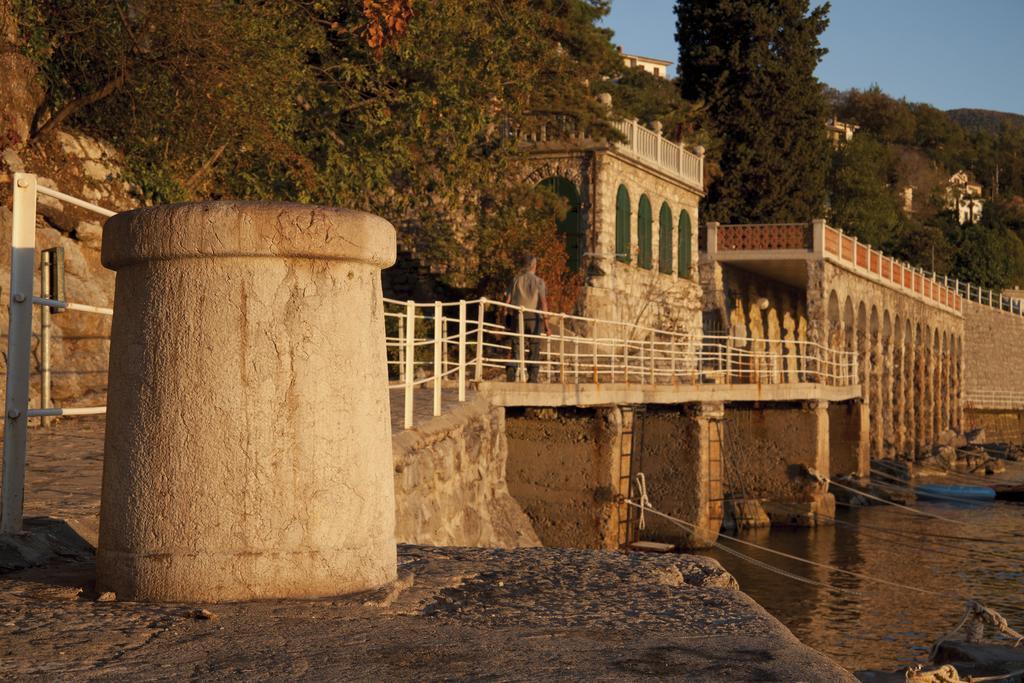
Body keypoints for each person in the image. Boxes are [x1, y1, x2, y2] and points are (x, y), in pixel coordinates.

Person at [505, 255, 550, 382]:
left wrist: (507, 317)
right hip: (533, 318)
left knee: (516, 346)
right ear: (534, 266)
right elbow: (544, 303)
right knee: (534, 347)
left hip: (517, 315)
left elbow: (507, 301)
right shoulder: (539, 282)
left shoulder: (515, 280)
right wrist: (547, 325)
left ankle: (511, 372)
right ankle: (532, 377)